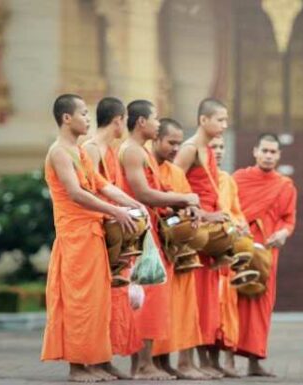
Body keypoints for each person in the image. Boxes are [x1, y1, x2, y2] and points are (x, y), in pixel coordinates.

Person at [40, 94, 145, 382]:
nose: (88, 118)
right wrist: (115, 211)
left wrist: (134, 205)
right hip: (75, 237)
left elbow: (103, 186)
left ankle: (99, 360)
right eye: (84, 113)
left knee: (100, 301)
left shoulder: (80, 151)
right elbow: (75, 193)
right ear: (66, 118)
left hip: (93, 233)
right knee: (80, 301)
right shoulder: (59, 152)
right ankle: (77, 366)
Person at [117, 99, 199, 380]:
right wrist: (183, 198)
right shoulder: (131, 151)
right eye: (154, 119)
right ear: (141, 122)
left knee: (150, 298)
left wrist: (180, 207)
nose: (156, 123)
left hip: (150, 231)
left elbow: (158, 191)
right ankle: (142, 366)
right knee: (144, 297)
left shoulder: (141, 152)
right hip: (138, 235)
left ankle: (145, 363)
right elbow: (143, 193)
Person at [173, 98, 230, 378]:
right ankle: (183, 362)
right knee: (189, 300)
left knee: (204, 302)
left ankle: (195, 361)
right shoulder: (189, 149)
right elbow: (172, 188)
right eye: (220, 119)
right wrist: (205, 216)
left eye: (226, 120)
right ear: (203, 120)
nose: (225, 125)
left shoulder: (207, 150)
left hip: (208, 237)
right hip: (193, 233)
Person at [150, 118, 210, 380]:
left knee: (182, 307)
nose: (176, 148)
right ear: (156, 139)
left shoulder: (175, 172)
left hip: (178, 248)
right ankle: (155, 362)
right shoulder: (148, 166)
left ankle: (175, 362)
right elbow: (146, 197)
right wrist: (180, 203)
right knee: (156, 305)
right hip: (154, 245)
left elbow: (187, 199)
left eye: (178, 142)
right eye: (171, 142)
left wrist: (193, 210)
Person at [233, 133, 297, 377]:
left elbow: (288, 219)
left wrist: (283, 233)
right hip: (240, 249)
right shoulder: (238, 179)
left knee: (262, 305)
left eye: (273, 152)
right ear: (255, 152)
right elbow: (228, 208)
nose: (269, 156)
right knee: (233, 301)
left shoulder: (285, 185)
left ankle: (254, 360)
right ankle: (227, 360)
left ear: (279, 155)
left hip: (267, 252)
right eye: (265, 151)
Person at [209, 135, 248, 378]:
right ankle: (210, 361)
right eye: (214, 147)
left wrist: (241, 224)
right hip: (210, 252)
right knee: (211, 307)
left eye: (222, 146)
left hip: (229, 251)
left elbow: (236, 211)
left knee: (230, 308)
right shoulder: (198, 177)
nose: (219, 151)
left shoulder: (227, 180)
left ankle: (229, 361)